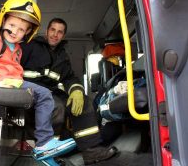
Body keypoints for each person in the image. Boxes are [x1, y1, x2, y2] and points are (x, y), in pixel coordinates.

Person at [0, 0, 75, 162]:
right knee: (44, 95)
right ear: (3, 20)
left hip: (13, 84)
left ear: (28, 32)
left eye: (21, 29)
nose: (15, 31)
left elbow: (16, 72)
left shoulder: (18, 49)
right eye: (12, 25)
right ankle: (44, 143)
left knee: (43, 99)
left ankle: (44, 153)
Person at [21, 18, 117, 164]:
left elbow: (69, 77)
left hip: (52, 93)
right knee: (56, 107)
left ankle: (91, 150)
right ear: (46, 31)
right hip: (30, 93)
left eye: (60, 32)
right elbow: (14, 67)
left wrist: (76, 90)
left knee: (84, 102)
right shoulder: (30, 46)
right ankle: (49, 154)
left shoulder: (62, 56)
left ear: (63, 36)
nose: (55, 34)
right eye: (52, 30)